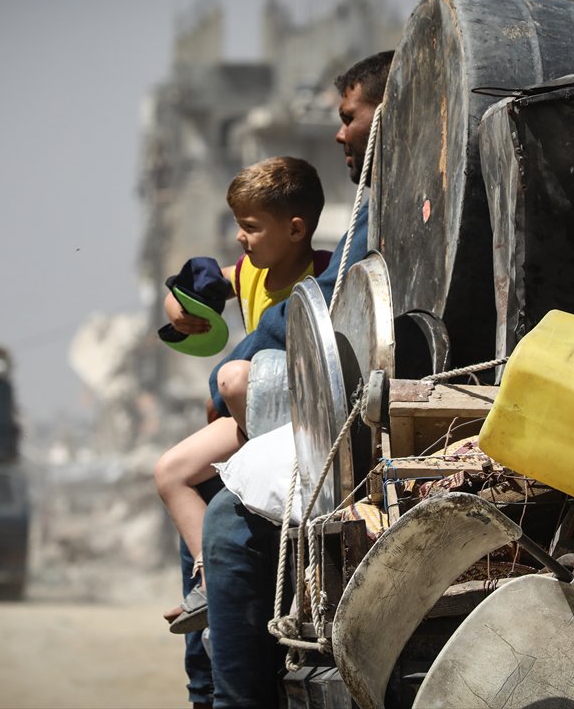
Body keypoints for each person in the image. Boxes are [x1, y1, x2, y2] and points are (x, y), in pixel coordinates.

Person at [200, 51, 393, 708]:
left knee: (228, 517)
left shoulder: (387, 201)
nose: (339, 133)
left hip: (376, 408)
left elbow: (321, 307)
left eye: (349, 117)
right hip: (371, 393)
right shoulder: (398, 192)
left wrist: (225, 375)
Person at [156, 156, 331, 635]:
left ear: (295, 230)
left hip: (287, 419)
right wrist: (179, 310)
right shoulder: (249, 271)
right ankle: (207, 574)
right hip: (245, 415)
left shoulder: (324, 278)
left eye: (250, 227)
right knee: (173, 472)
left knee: (177, 465)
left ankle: (212, 581)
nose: (240, 237)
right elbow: (185, 291)